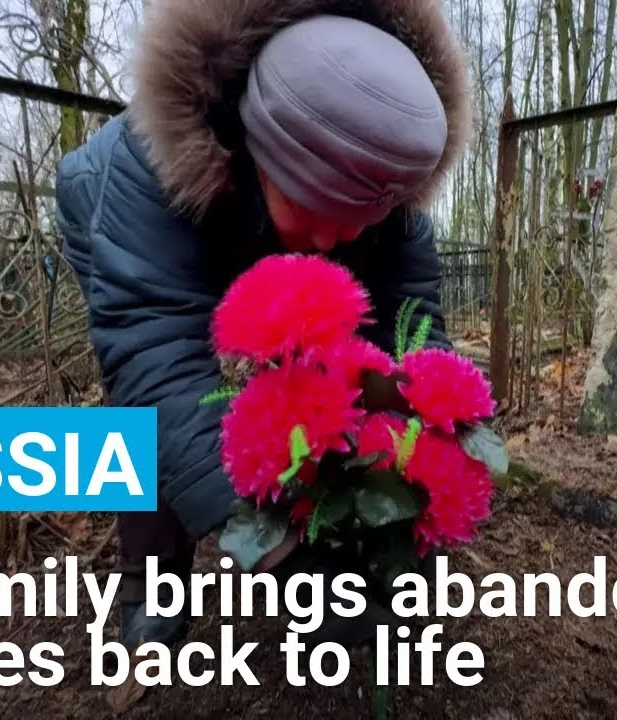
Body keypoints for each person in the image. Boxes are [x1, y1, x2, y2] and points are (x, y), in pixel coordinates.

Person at [53, 0, 471, 650]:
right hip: (149, 218)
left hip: (256, 213)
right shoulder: (141, 173)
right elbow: (158, 363)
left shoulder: (388, 166)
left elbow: (411, 336)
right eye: (318, 208)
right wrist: (287, 560)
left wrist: (410, 497)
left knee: (330, 373)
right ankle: (149, 582)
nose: (336, 239)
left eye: (363, 215)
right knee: (146, 421)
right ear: (261, 149)